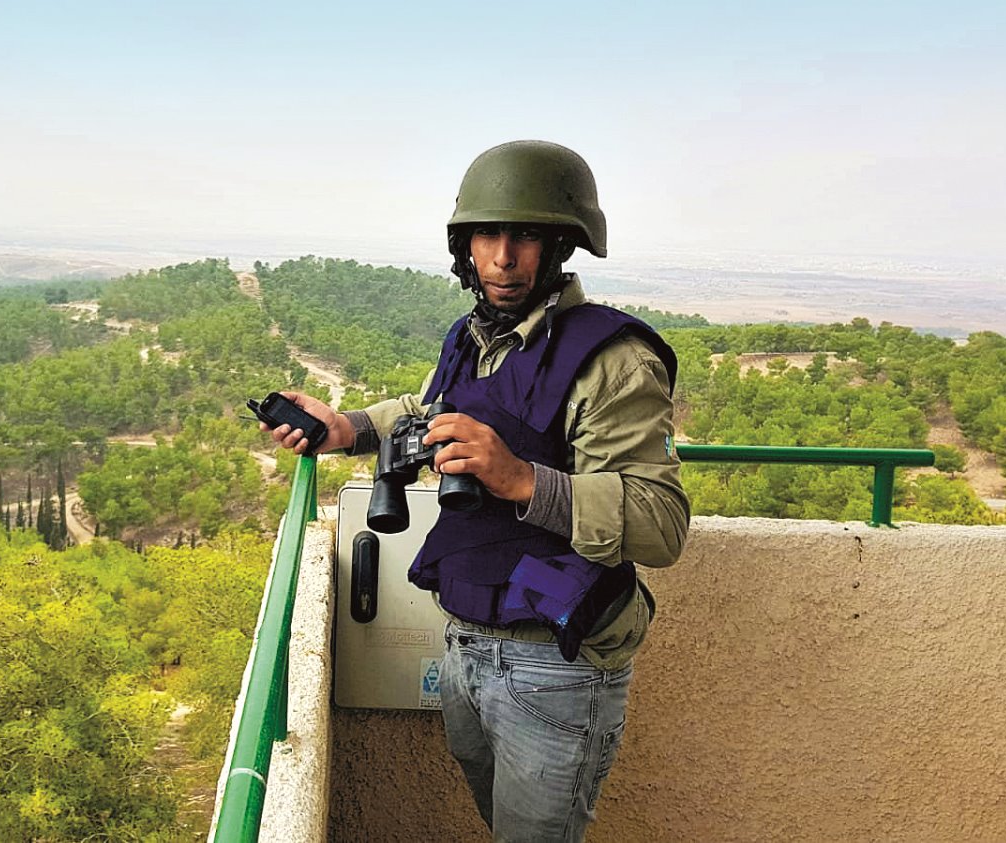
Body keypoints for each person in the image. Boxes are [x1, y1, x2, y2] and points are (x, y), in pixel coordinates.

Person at [263, 140, 688, 842]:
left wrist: (521, 479)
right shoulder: (473, 338)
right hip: (467, 643)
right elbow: (428, 411)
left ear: (561, 245)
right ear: (465, 246)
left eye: (525, 235)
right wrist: (349, 428)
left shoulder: (612, 360)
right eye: (486, 234)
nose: (503, 256)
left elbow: (660, 523)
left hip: (557, 660)